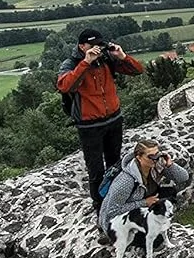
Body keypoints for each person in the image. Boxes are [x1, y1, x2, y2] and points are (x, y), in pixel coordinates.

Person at [58, 29, 145, 213]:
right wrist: (85, 62)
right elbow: (65, 86)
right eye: (92, 45)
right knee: (96, 170)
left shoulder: (106, 59)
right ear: (82, 46)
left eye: (99, 44)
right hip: (90, 126)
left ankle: (117, 201)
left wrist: (122, 56)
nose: (97, 48)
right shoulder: (71, 64)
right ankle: (100, 208)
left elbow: (138, 70)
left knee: (115, 165)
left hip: (113, 120)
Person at [99, 138, 191, 243]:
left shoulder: (155, 165)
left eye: (157, 155)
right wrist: (144, 203)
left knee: (169, 192)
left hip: (138, 208)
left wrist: (170, 164)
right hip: (118, 223)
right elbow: (112, 211)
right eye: (151, 157)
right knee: (157, 240)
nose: (155, 159)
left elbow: (183, 177)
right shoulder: (125, 181)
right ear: (139, 157)